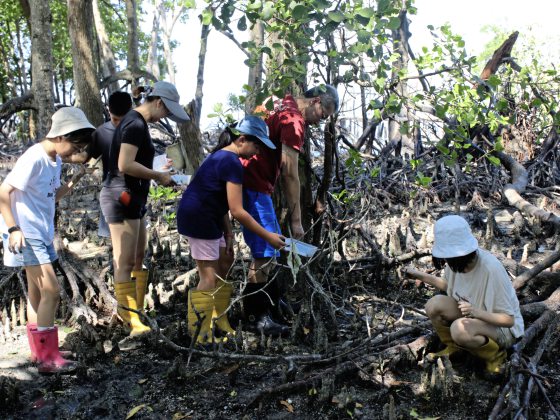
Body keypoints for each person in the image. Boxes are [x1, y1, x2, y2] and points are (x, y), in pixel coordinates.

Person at [0, 107, 95, 374]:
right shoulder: (34, 158)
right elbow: (3, 192)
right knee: (51, 291)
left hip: (40, 233)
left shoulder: (56, 161)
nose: (75, 152)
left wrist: (74, 181)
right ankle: (48, 358)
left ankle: (40, 351)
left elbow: (50, 195)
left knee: (36, 293)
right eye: (74, 145)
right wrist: (13, 228)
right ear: (60, 136)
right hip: (26, 233)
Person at [240, 84, 339, 336]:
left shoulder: (274, 99)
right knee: (264, 252)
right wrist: (296, 220)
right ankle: (256, 317)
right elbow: (289, 171)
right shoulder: (294, 121)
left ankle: (271, 304)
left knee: (269, 248)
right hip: (254, 184)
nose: (318, 121)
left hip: (245, 179)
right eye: (322, 114)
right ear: (316, 101)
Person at [177, 116, 285, 345]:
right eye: (256, 146)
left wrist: (228, 233)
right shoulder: (231, 162)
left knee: (226, 262)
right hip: (199, 218)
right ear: (242, 139)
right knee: (208, 276)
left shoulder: (224, 157)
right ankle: (199, 332)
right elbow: (237, 210)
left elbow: (221, 203)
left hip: (212, 217)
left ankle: (220, 319)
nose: (256, 153)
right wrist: (269, 237)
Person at [100, 81, 189, 337]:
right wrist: (157, 176)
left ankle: (137, 310)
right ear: (158, 102)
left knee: (138, 257)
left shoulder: (135, 123)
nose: (167, 117)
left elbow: (134, 160)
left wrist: (158, 170)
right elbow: (125, 164)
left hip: (135, 197)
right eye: (167, 112)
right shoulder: (135, 123)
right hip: (121, 197)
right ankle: (131, 321)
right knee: (124, 260)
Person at [403, 215, 524, 375]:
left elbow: (508, 320)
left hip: (502, 330)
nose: (445, 259)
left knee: (459, 329)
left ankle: (496, 357)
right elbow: (449, 286)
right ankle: (454, 347)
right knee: (434, 305)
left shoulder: (490, 269)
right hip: (474, 317)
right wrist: (419, 275)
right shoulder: (456, 264)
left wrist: (475, 312)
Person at [70, 91, 133, 238]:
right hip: (112, 192)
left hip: (134, 193)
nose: (120, 124)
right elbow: (84, 156)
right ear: (108, 111)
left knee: (135, 240)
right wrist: (64, 157)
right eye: (116, 119)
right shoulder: (101, 132)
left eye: (123, 120)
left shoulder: (138, 130)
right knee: (116, 242)